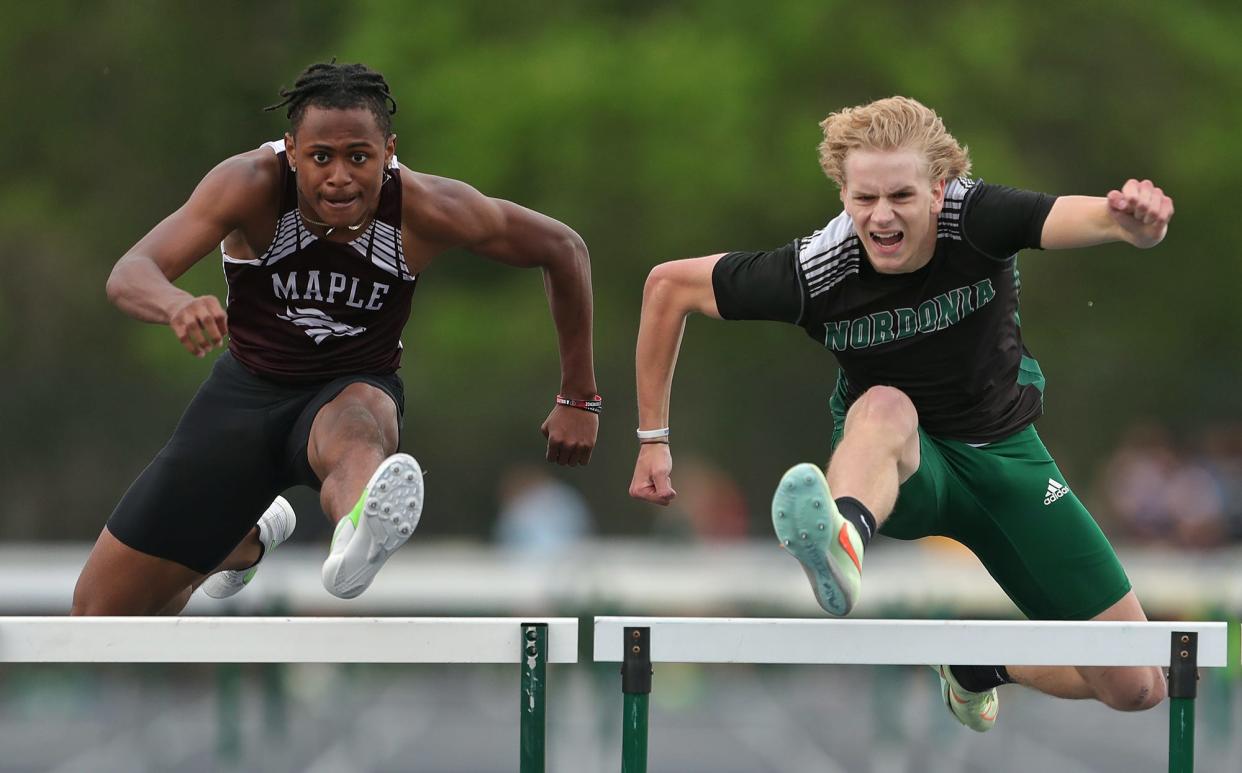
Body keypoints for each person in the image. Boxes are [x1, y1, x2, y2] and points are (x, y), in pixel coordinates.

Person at [629, 96, 1173, 731]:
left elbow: (1092, 220)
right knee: (885, 403)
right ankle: (844, 540)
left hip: (1008, 464)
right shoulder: (814, 270)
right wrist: (652, 439)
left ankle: (977, 668)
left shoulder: (977, 218)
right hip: (902, 467)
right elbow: (667, 287)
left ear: (940, 190)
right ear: (843, 196)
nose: (881, 218)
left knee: (1139, 684)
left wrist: (1138, 223)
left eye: (901, 197)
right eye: (864, 200)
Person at [73, 61, 599, 615]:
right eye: (321, 157)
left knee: (355, 427)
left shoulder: (426, 208)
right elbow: (131, 272)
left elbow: (563, 249)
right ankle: (242, 542)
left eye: (359, 157)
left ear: (388, 151)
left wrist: (578, 396)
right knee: (101, 613)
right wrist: (176, 304)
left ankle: (358, 532)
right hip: (246, 397)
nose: (340, 177)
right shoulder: (249, 185)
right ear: (292, 150)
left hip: (354, 386)